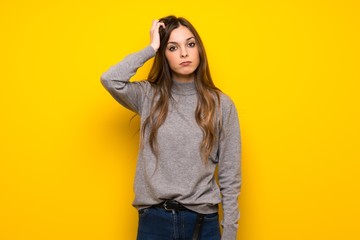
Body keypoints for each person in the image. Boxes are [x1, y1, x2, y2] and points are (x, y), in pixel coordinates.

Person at [100, 15, 241, 240]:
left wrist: (230, 233)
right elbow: (110, 79)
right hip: (154, 222)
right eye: (173, 47)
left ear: (199, 50)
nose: (184, 53)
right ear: (163, 55)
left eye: (190, 44)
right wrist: (151, 47)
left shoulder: (221, 104)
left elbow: (230, 176)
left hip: (203, 222)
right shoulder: (148, 96)